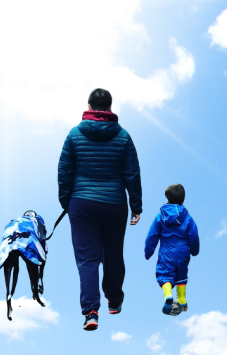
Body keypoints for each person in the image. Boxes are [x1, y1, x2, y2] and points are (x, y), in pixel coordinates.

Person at [58, 88, 142, 331]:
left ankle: (91, 312)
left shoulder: (74, 135)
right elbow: (132, 174)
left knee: (87, 260)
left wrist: (67, 202)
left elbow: (64, 172)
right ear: (110, 108)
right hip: (114, 203)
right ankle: (114, 300)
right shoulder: (123, 136)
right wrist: (135, 205)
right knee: (113, 254)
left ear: (89, 106)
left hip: (82, 203)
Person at [144, 184, 200, 316]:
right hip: (183, 252)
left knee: (164, 274)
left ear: (167, 197)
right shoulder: (188, 218)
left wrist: (148, 252)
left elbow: (152, 236)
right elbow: (194, 235)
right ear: (183, 199)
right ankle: (182, 300)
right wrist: (194, 250)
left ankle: (168, 295)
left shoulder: (160, 217)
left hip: (166, 252)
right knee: (182, 275)